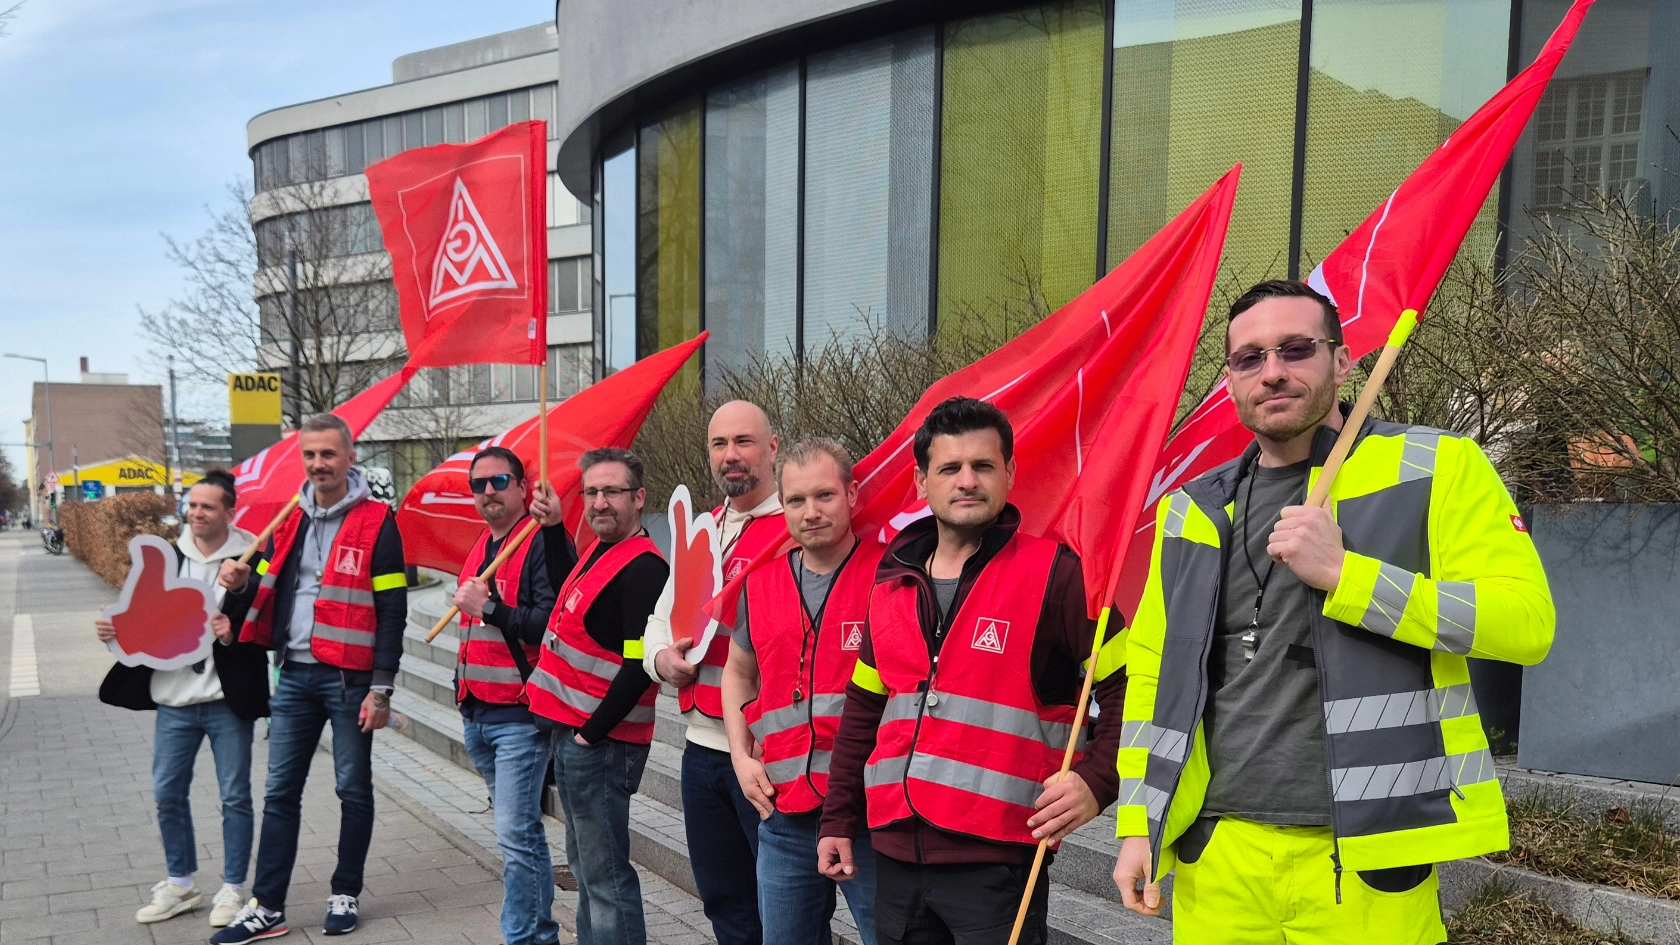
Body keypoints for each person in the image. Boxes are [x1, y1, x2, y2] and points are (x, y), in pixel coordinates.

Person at [1110, 280, 1556, 943]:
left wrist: (1349, 575)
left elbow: (1525, 623)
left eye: (1296, 349)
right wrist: (1137, 823)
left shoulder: (1437, 465)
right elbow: (1154, 676)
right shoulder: (1193, 508)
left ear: (1342, 362)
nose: (1272, 371)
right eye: (1250, 357)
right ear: (1230, 380)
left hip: (1367, 862)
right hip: (1216, 853)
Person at [817, 397, 1125, 945]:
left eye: (983, 465)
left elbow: (1135, 684)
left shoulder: (1058, 576)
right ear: (921, 482)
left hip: (998, 865)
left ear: (1009, 473)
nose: (967, 480)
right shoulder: (890, 584)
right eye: (949, 468)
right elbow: (862, 712)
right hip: (894, 857)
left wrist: (1098, 781)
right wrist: (838, 819)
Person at [212, 413, 409, 943]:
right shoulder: (287, 520)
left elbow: (392, 609)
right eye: (310, 454)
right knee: (279, 792)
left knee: (353, 789)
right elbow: (262, 586)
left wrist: (381, 687)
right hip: (294, 676)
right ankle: (267, 907)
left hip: (351, 681)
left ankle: (345, 893)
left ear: (350, 457)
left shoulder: (378, 521)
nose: (318, 463)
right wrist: (238, 582)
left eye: (328, 454)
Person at [722, 437, 882, 945]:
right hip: (784, 814)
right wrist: (740, 755)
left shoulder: (893, 577)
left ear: (851, 494)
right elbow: (737, 672)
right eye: (796, 500)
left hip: (868, 814)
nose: (810, 512)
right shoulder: (760, 584)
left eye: (824, 496)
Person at [96, 470, 270, 929]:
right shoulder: (168, 558)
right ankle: (180, 884)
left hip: (227, 700)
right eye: (192, 505)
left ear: (229, 513)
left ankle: (232, 887)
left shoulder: (254, 560)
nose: (196, 513)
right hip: (173, 699)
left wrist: (233, 627)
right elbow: (141, 617)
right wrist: (113, 630)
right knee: (167, 792)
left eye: (207, 506)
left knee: (235, 796)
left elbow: (271, 623)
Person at [642, 401, 785, 945]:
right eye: (719, 444)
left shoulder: (796, 526)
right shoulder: (705, 528)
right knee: (724, 902)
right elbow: (660, 619)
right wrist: (661, 661)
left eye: (744, 441)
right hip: (700, 750)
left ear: (772, 447)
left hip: (765, 753)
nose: (731, 455)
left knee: (785, 911)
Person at [526, 447, 667, 945]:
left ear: (639, 498)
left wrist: (589, 735)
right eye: (591, 492)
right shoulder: (601, 550)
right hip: (577, 736)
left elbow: (638, 665)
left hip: (602, 744)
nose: (600, 502)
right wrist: (552, 528)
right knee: (587, 870)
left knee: (605, 879)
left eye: (612, 492)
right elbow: (572, 592)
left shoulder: (644, 569)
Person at [451, 446, 577, 945]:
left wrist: (489, 609)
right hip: (477, 712)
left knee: (515, 833)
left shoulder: (538, 540)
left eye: (499, 481)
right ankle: (539, 932)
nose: (488, 492)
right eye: (478, 484)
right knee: (519, 832)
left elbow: (552, 623)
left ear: (524, 488)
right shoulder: (482, 544)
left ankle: (525, 936)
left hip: (518, 718)